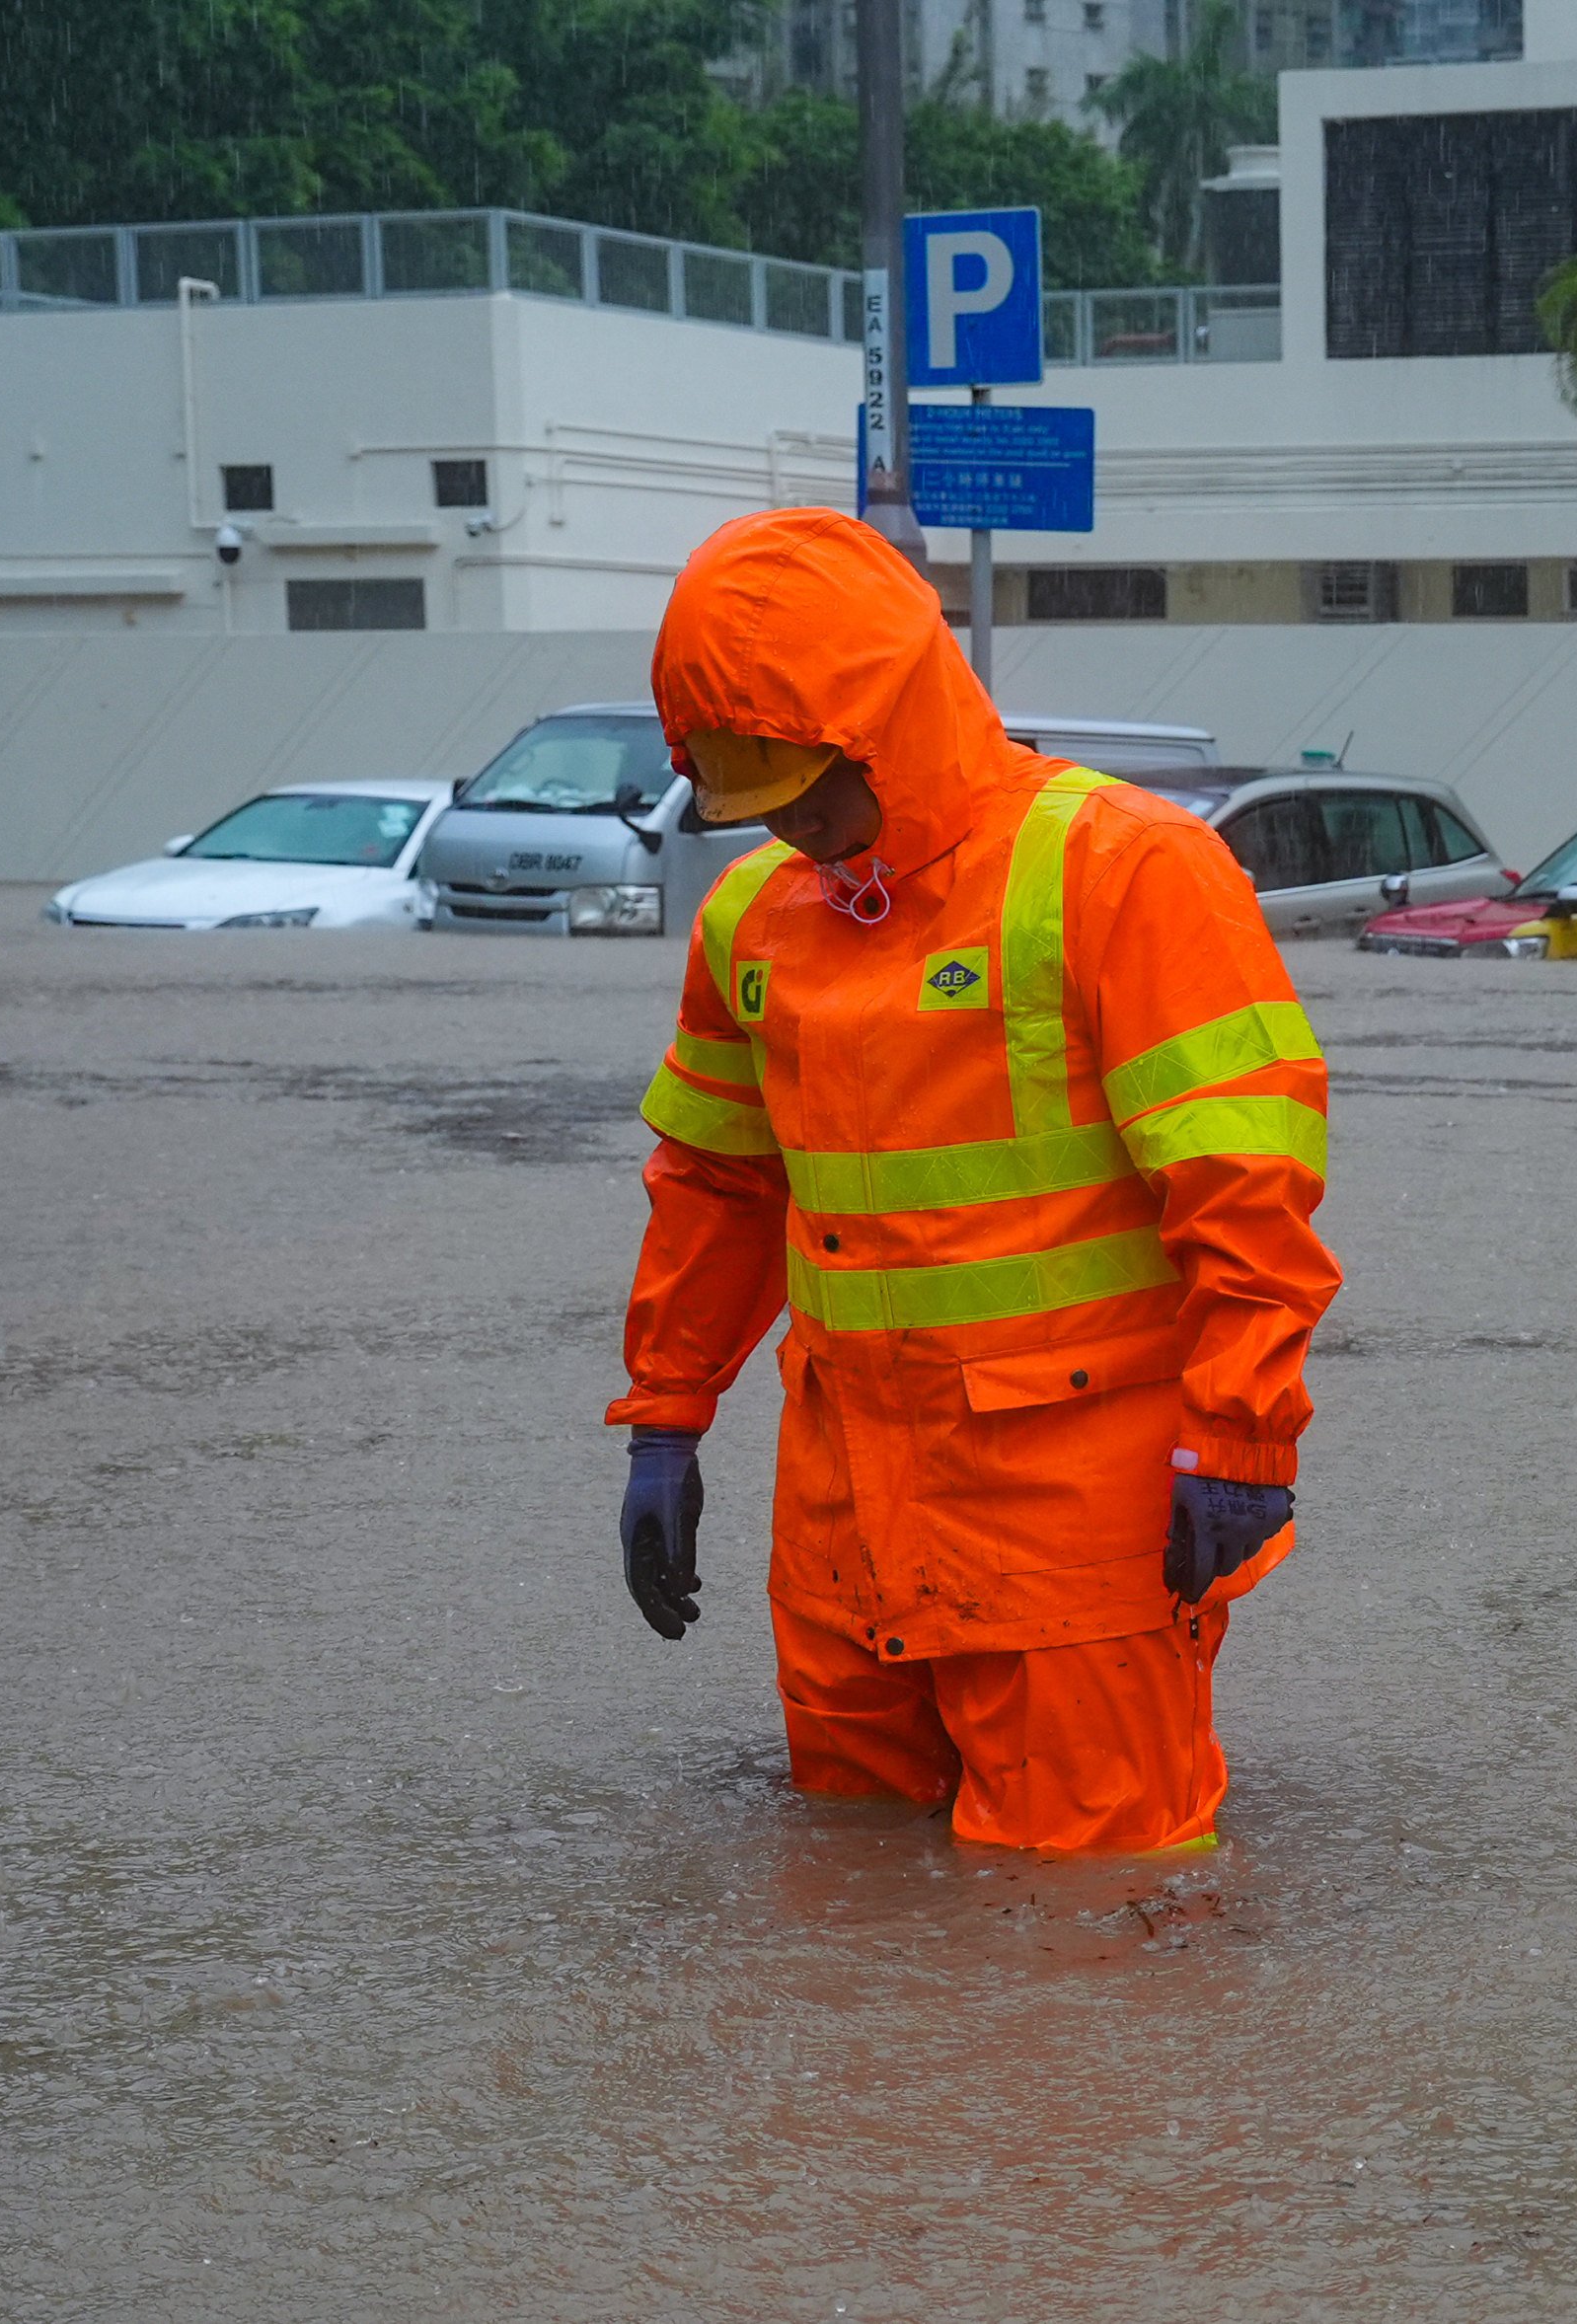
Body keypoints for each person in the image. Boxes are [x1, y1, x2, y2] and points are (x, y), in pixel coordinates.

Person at [607, 506, 1337, 1853]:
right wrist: (667, 1417)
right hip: (841, 1523)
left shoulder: (1122, 870)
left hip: (1074, 1523)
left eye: (808, 782)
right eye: (752, 792)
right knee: (855, 1890)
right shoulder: (748, 921)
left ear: (889, 715)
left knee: (1091, 1929)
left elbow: (1247, 1188)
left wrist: (1240, 1436)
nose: (796, 825)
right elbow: (713, 1187)